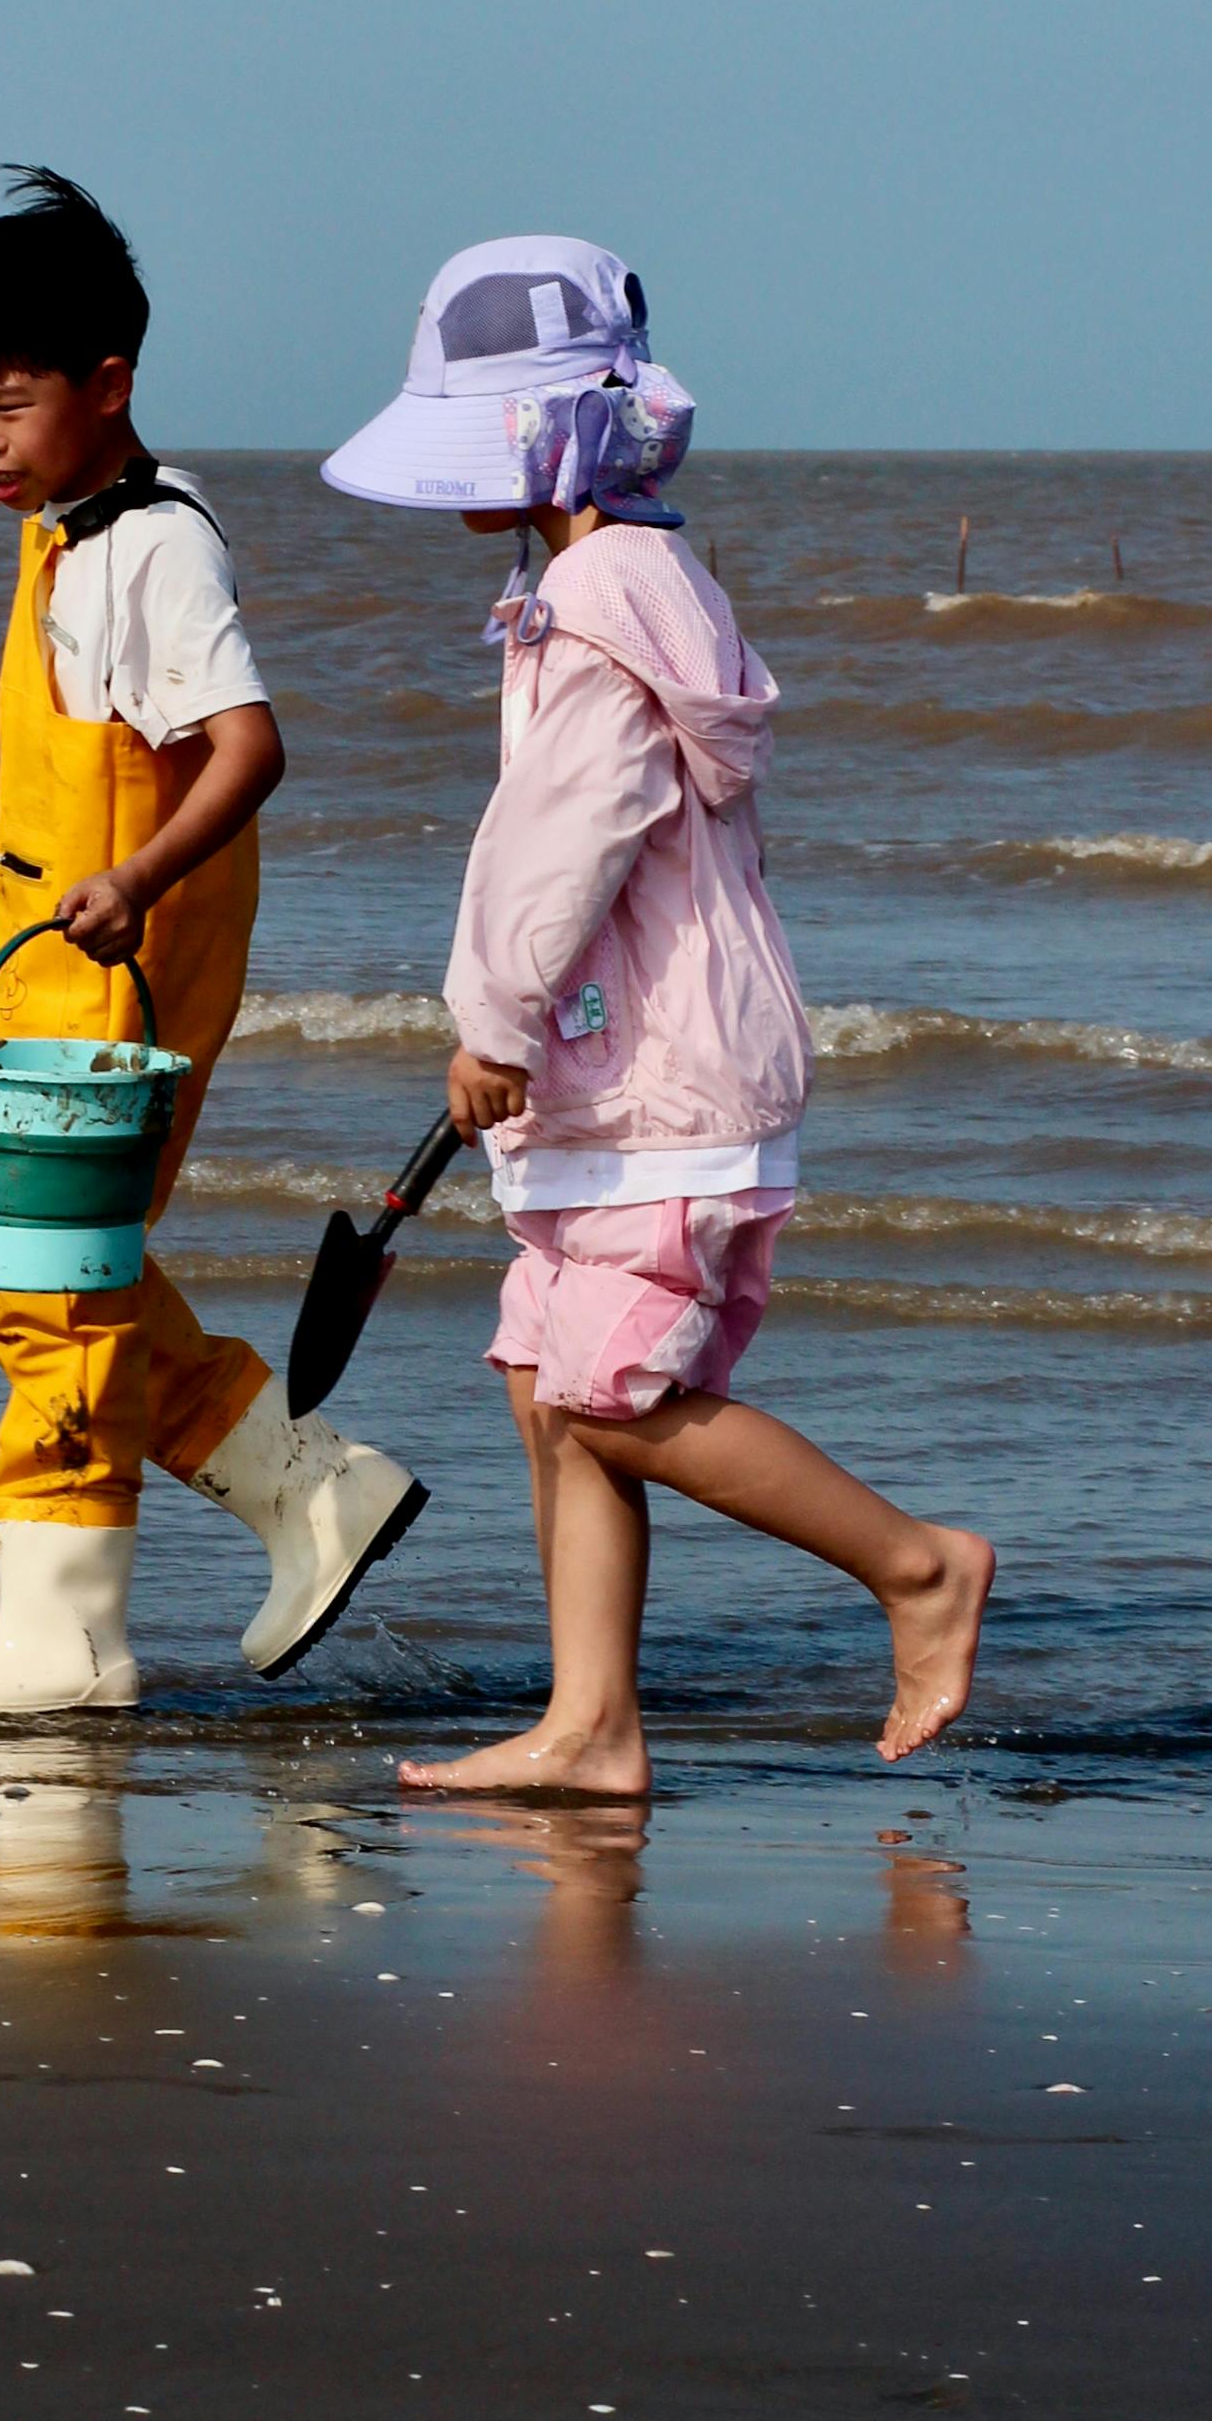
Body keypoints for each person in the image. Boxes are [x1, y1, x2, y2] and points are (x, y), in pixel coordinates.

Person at [319, 235, 993, 1786]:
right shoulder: (602, 575)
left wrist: (490, 1016)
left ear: (549, 435)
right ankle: (588, 1724)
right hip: (609, 1070)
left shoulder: (596, 594)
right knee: (543, 1388)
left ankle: (914, 1566)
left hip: (657, 1077)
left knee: (617, 1398)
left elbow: (564, 831)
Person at [0, 171, 428, 1717]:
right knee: (51, 1265)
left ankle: (65, 1636)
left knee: (49, 1290)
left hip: (130, 962)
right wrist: (12, 875)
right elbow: (98, 756)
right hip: (57, 945)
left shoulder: (150, 543)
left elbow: (246, 748)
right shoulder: (62, 531)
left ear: (106, 382)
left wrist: (126, 877)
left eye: (4, 400)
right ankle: (298, 1487)